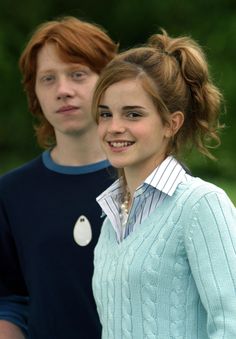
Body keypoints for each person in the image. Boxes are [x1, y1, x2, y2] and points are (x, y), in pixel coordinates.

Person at [91, 30, 236, 338]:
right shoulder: (109, 219)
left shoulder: (200, 205)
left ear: (172, 123)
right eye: (105, 114)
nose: (114, 127)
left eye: (132, 114)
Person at [0, 16, 117, 339]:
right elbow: (8, 298)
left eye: (77, 74)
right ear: (34, 93)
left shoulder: (153, 182)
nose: (63, 90)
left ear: (109, 82)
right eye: (48, 79)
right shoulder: (11, 193)